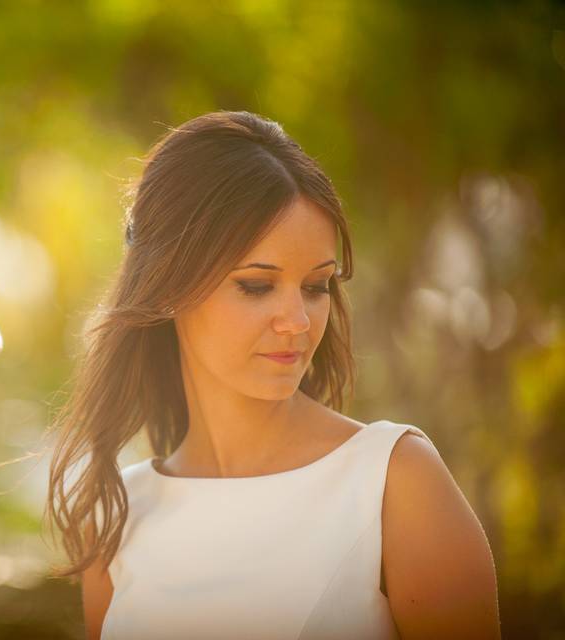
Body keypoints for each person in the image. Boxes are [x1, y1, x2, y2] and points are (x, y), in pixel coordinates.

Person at [41, 110, 500, 639]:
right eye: (257, 286)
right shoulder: (119, 519)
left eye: (315, 286)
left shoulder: (394, 483)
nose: (299, 322)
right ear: (166, 285)